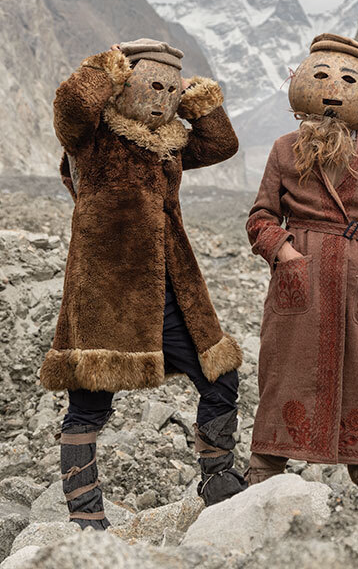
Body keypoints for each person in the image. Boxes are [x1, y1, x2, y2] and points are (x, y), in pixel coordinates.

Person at [39, 38, 246, 527]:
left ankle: (217, 480)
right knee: (89, 407)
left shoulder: (169, 145)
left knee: (220, 375)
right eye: (153, 85)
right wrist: (104, 70)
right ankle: (86, 519)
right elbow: (71, 106)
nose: (163, 98)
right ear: (124, 84)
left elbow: (221, 144)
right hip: (106, 294)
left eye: (172, 91)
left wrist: (201, 104)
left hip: (172, 288)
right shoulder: (92, 138)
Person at [244, 33, 358, 491]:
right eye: (321, 76)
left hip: (354, 278)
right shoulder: (285, 148)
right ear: (303, 82)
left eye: (346, 80)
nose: (333, 87)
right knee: (283, 364)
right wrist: (284, 251)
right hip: (298, 277)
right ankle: (266, 466)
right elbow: (261, 216)